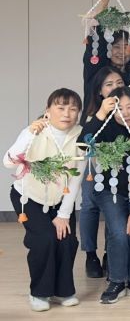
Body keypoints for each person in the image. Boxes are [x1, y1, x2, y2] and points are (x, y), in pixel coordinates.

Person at [79, 87, 130, 303]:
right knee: (118, 233)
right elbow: (83, 143)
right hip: (110, 190)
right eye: (119, 108)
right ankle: (116, 281)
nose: (125, 113)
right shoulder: (104, 128)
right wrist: (100, 114)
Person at [4, 89, 84, 312]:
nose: (66, 113)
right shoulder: (34, 131)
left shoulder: (81, 136)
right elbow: (8, 162)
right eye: (60, 107)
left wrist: (64, 214)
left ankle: (62, 291)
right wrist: (29, 134)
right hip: (28, 197)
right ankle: (39, 292)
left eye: (73, 109)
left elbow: (76, 179)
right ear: (48, 110)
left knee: (67, 241)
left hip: (61, 198)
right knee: (44, 239)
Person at [79, 67, 125, 278]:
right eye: (109, 84)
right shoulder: (93, 112)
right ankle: (90, 255)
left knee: (114, 206)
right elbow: (84, 141)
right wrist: (102, 113)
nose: (115, 87)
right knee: (89, 205)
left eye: (119, 83)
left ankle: (109, 253)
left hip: (119, 167)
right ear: (99, 90)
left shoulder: (127, 109)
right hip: (94, 166)